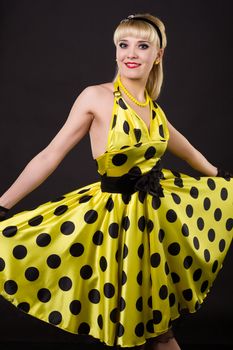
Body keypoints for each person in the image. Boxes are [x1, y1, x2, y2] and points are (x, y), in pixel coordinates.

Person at [0, 12, 232, 350]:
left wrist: (220, 177)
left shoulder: (153, 110)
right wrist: (4, 203)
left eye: (142, 46)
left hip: (152, 226)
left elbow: (188, 152)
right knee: (131, 330)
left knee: (159, 330)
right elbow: (51, 154)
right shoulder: (96, 97)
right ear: (115, 51)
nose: (131, 53)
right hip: (114, 226)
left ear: (158, 55)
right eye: (124, 45)